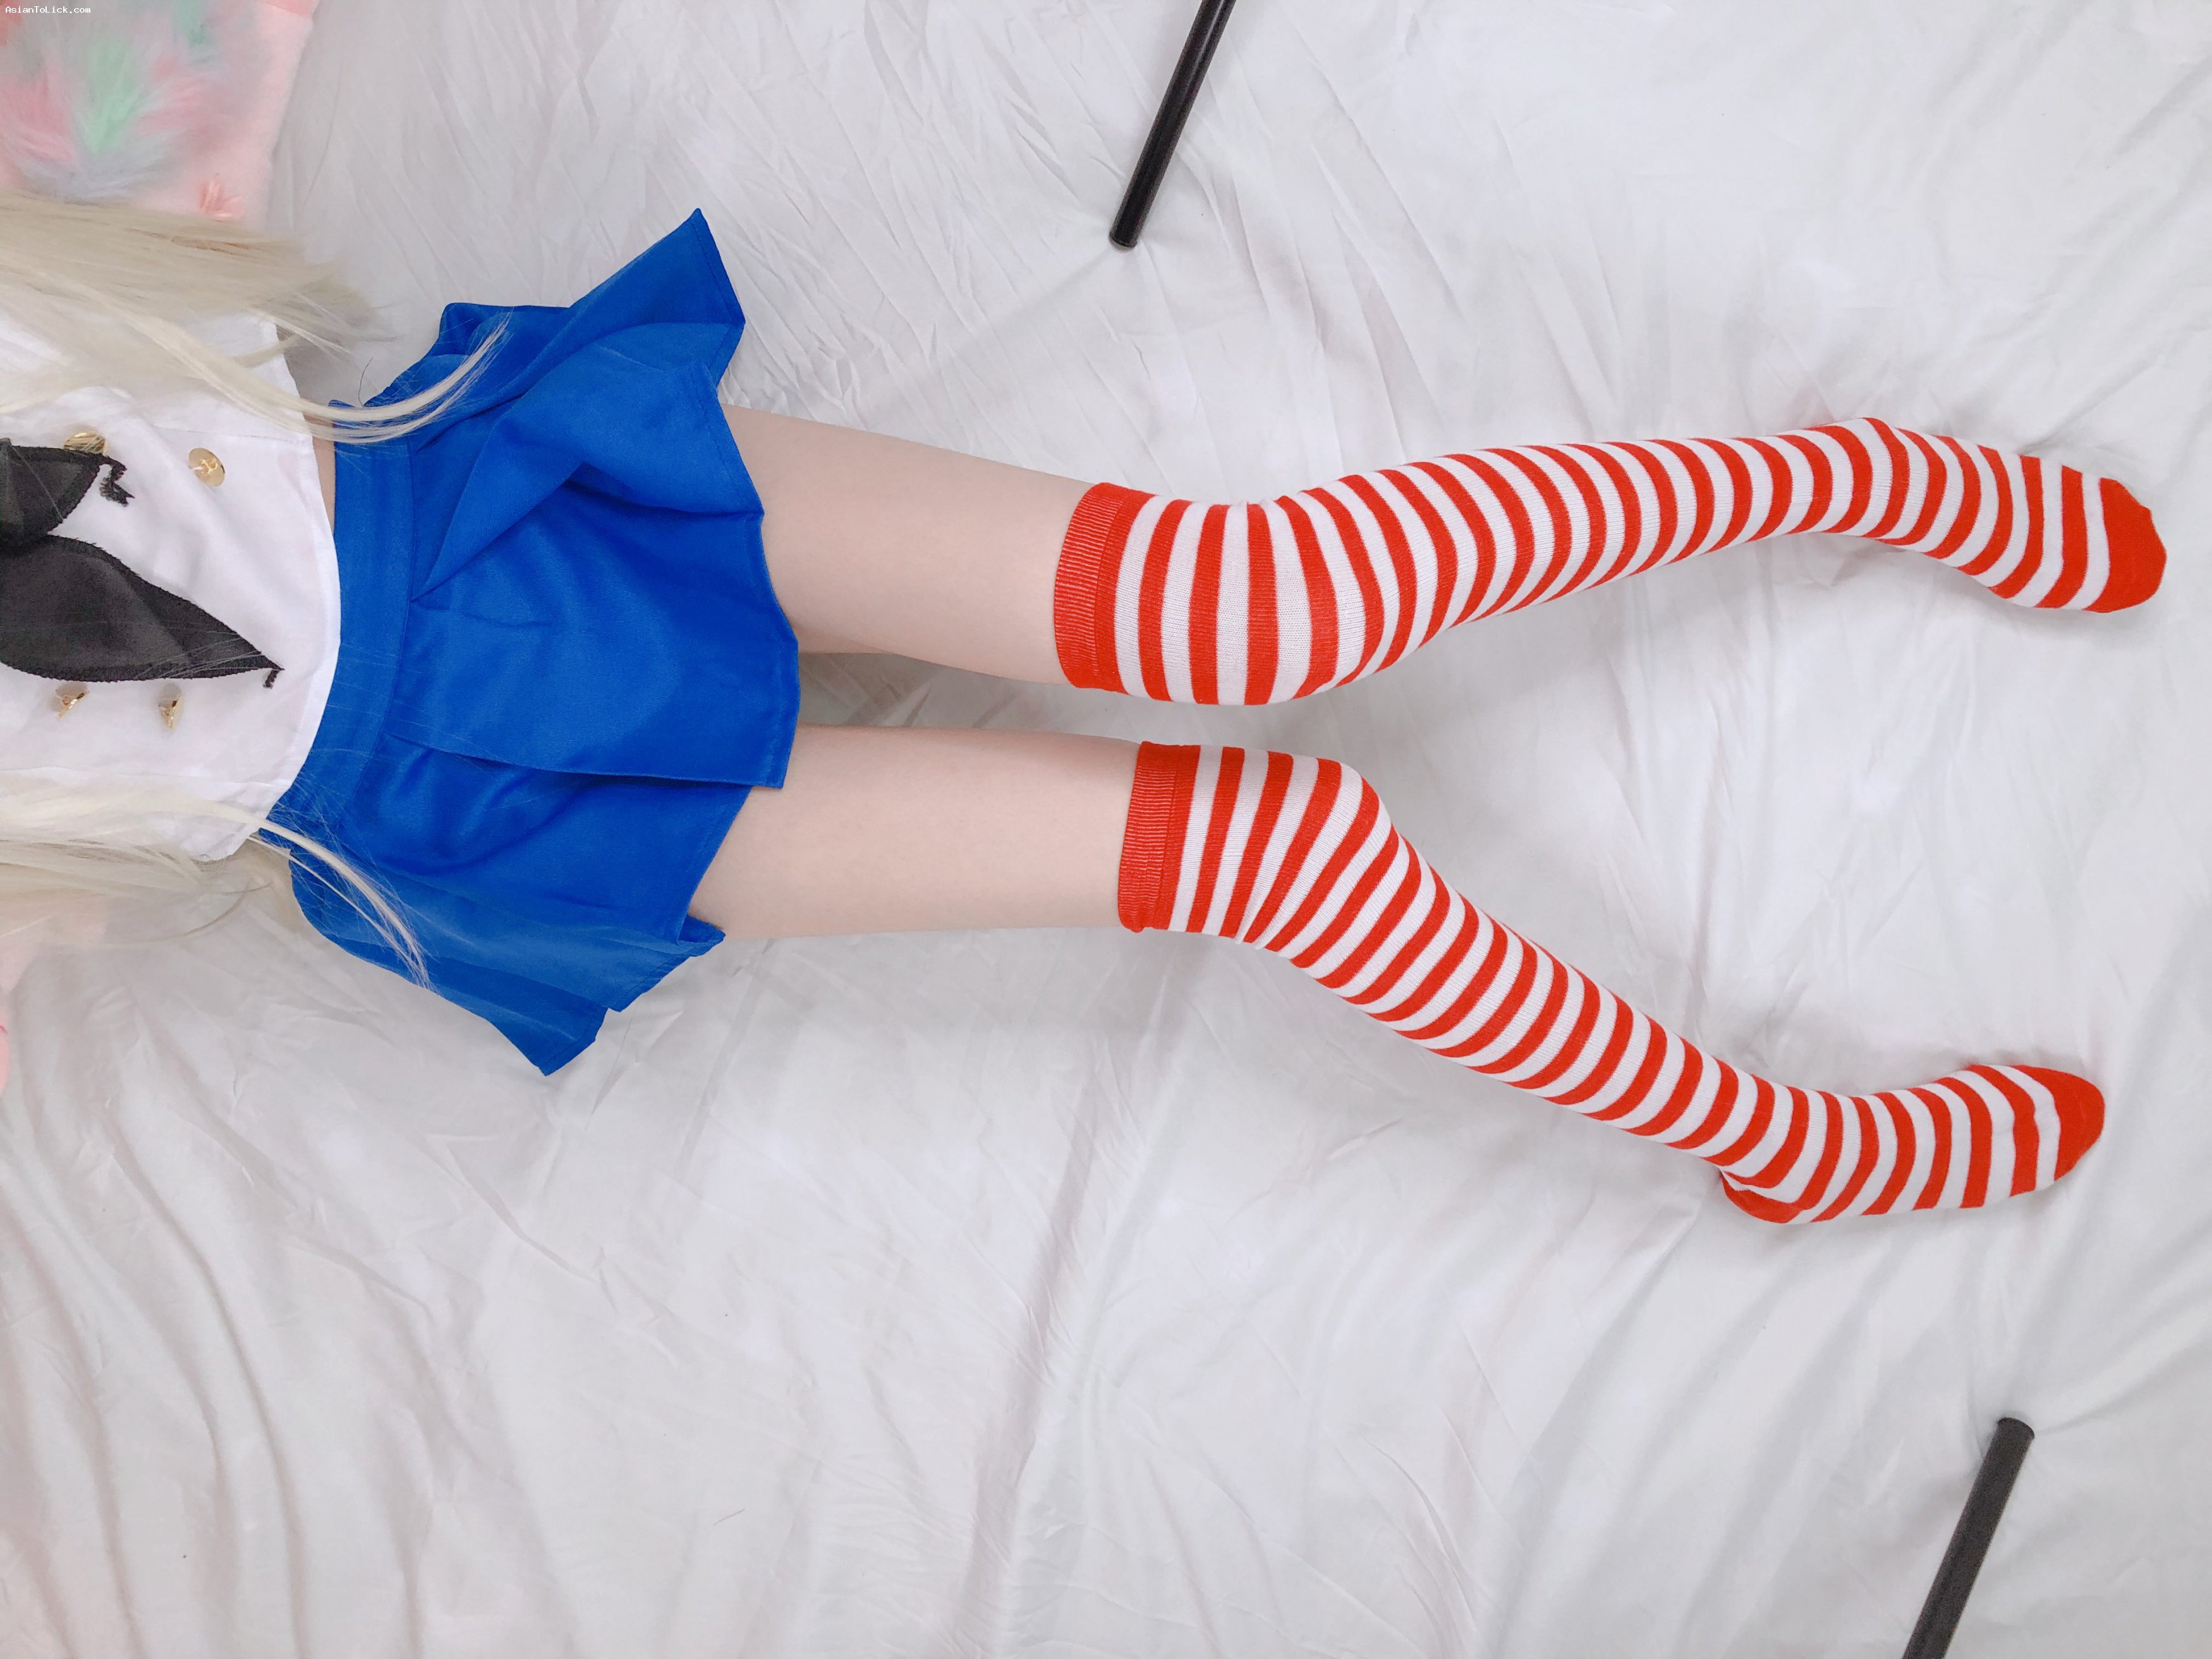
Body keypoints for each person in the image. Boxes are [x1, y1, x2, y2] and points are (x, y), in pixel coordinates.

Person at [0, 192, 2166, 1225]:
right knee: (1270, 853)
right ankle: (1768, 1142)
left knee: (1255, 613)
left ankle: (1849, 473)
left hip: (463, 502)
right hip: (423, 800)